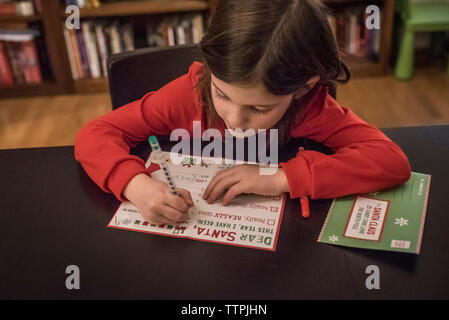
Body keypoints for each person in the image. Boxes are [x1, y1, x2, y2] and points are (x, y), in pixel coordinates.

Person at [74, 0, 411, 225]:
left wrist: (279, 178)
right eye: (221, 94)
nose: (234, 119)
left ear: (303, 88)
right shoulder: (186, 95)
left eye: (259, 108)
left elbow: (390, 160)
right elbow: (96, 134)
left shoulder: (312, 107)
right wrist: (135, 184)